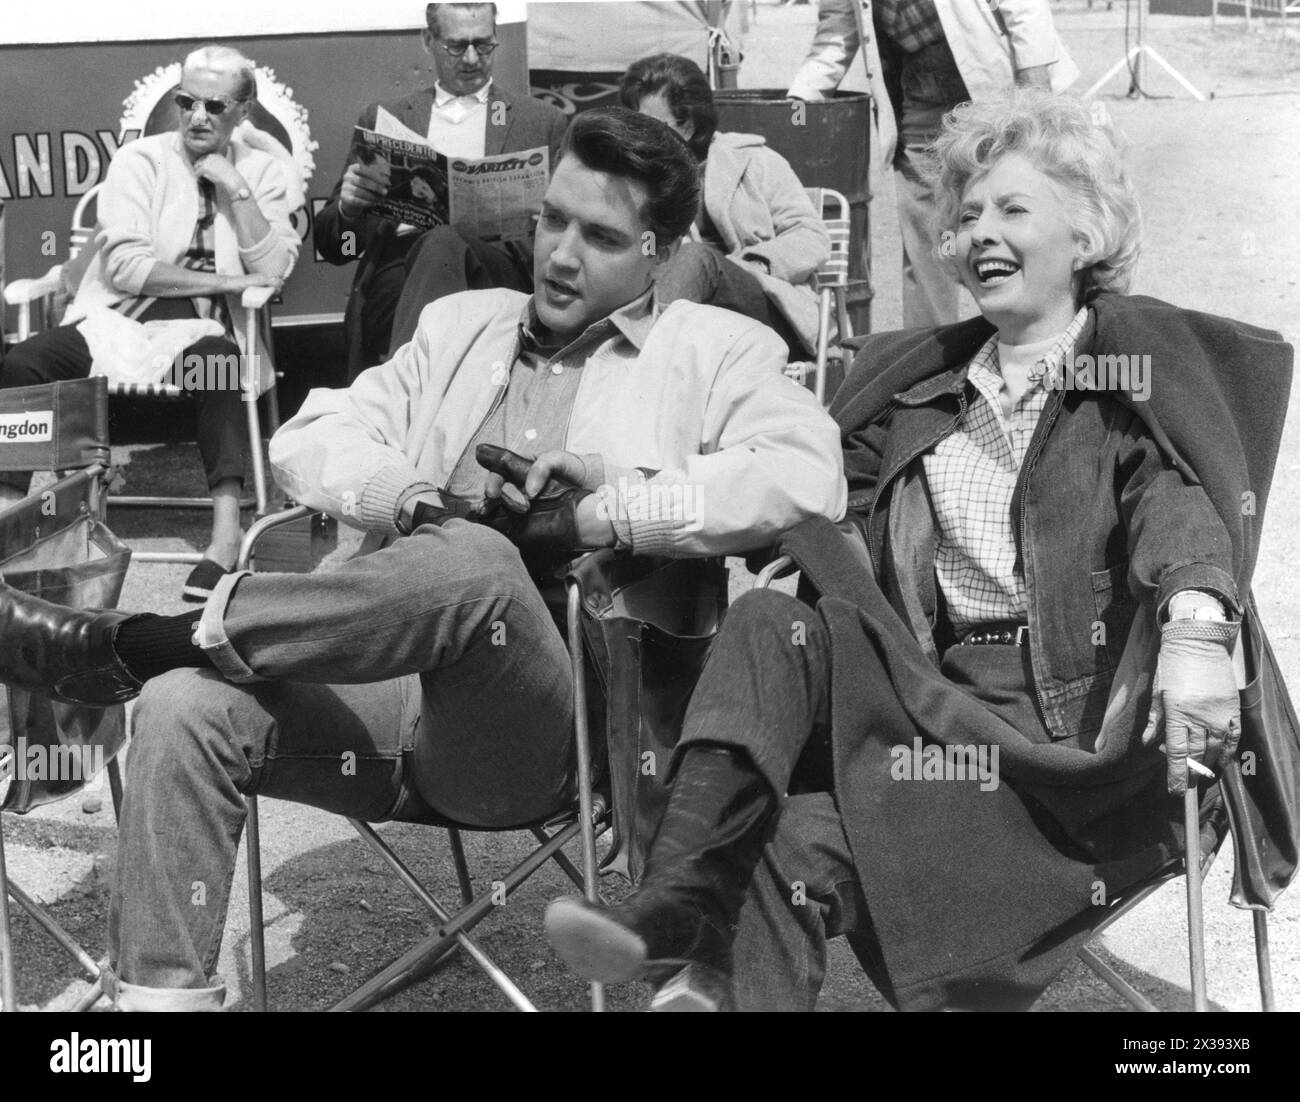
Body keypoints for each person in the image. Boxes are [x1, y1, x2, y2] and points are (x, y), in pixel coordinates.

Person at [0, 107, 845, 1011]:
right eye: (552, 220)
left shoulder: (714, 349)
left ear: (660, 252)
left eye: (599, 237)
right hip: (388, 693)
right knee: (182, 706)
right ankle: (155, 1010)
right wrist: (410, 499)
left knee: (479, 563)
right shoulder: (462, 327)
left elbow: (806, 474)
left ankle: (150, 637)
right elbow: (313, 433)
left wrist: (606, 511)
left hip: (553, 730)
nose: (560, 255)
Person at [545, 90, 1295, 1012]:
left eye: (1014, 209)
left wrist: (1194, 622)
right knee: (774, 625)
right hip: (925, 721)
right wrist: (620, 487)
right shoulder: (916, 386)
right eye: (968, 212)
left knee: (800, 843)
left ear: (1087, 234)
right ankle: (680, 902)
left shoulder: (1123, 384)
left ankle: (692, 920)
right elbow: (795, 486)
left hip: (1065, 756)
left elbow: (1176, 513)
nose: (982, 231)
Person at [0, 45, 299, 601]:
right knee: (21, 365)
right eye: (187, 102)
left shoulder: (264, 174)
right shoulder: (140, 161)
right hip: (116, 320)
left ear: (243, 110)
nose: (196, 116)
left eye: (213, 105)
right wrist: (224, 282)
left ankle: (224, 538)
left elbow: (274, 268)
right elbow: (129, 268)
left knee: (220, 368)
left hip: (206, 331)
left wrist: (236, 187)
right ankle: (6, 513)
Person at [315, 1, 568, 381]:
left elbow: (566, 234)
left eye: (484, 45)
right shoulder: (387, 119)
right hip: (400, 272)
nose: (471, 59)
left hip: (498, 268)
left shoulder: (541, 122)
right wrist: (349, 213)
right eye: (456, 46)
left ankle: (404, 394)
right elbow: (341, 249)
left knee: (444, 241)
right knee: (436, 246)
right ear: (428, 41)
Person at [788, 0, 1078, 328]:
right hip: (920, 104)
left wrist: (1035, 99)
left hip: (997, 91)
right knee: (929, 241)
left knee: (1022, 219)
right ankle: (931, 361)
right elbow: (836, 33)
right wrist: (796, 105)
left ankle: (1047, 338)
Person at [620, 53, 829, 359]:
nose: (638, 136)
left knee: (696, 258)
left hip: (761, 312)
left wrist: (755, 262)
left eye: (649, 125)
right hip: (682, 318)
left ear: (687, 125)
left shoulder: (753, 160)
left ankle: (638, 365)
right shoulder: (639, 180)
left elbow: (811, 235)